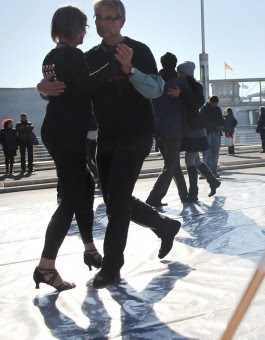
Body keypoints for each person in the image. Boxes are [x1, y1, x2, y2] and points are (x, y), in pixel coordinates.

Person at [38, 0, 184, 288]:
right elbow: (68, 87)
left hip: (137, 135)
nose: (104, 23)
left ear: (122, 20)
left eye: (110, 18)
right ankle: (165, 225)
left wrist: (130, 69)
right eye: (99, 18)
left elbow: (156, 90)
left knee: (116, 201)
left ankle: (112, 266)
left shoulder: (138, 50)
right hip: (106, 137)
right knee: (114, 198)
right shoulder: (87, 56)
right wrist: (41, 89)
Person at [33, 5, 112, 292]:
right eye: (84, 26)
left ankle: (90, 249)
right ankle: (46, 266)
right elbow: (88, 87)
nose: (86, 32)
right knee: (70, 198)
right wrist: (113, 67)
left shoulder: (51, 57)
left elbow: (61, 90)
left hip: (57, 129)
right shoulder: (73, 55)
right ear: (75, 28)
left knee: (86, 185)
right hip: (67, 132)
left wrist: (41, 89)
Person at [145, 52, 189, 207]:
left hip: (158, 129)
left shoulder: (154, 81)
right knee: (170, 166)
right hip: (174, 129)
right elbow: (194, 102)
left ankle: (184, 194)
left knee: (173, 163)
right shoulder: (180, 83)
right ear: (175, 64)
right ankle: (154, 198)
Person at [177, 61, 221, 202]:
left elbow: (198, 102)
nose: (178, 75)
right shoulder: (187, 85)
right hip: (192, 127)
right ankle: (213, 181)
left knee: (190, 159)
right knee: (195, 160)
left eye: (180, 72)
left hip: (193, 127)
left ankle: (193, 193)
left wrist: (181, 94)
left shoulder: (194, 86)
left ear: (185, 73)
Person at [201, 95, 224, 177]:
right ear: (211, 102)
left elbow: (220, 120)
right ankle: (208, 173)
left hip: (210, 133)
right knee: (211, 153)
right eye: (215, 103)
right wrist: (217, 126)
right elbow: (203, 122)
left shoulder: (205, 109)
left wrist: (222, 125)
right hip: (210, 133)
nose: (216, 105)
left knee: (209, 154)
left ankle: (211, 172)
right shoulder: (205, 109)